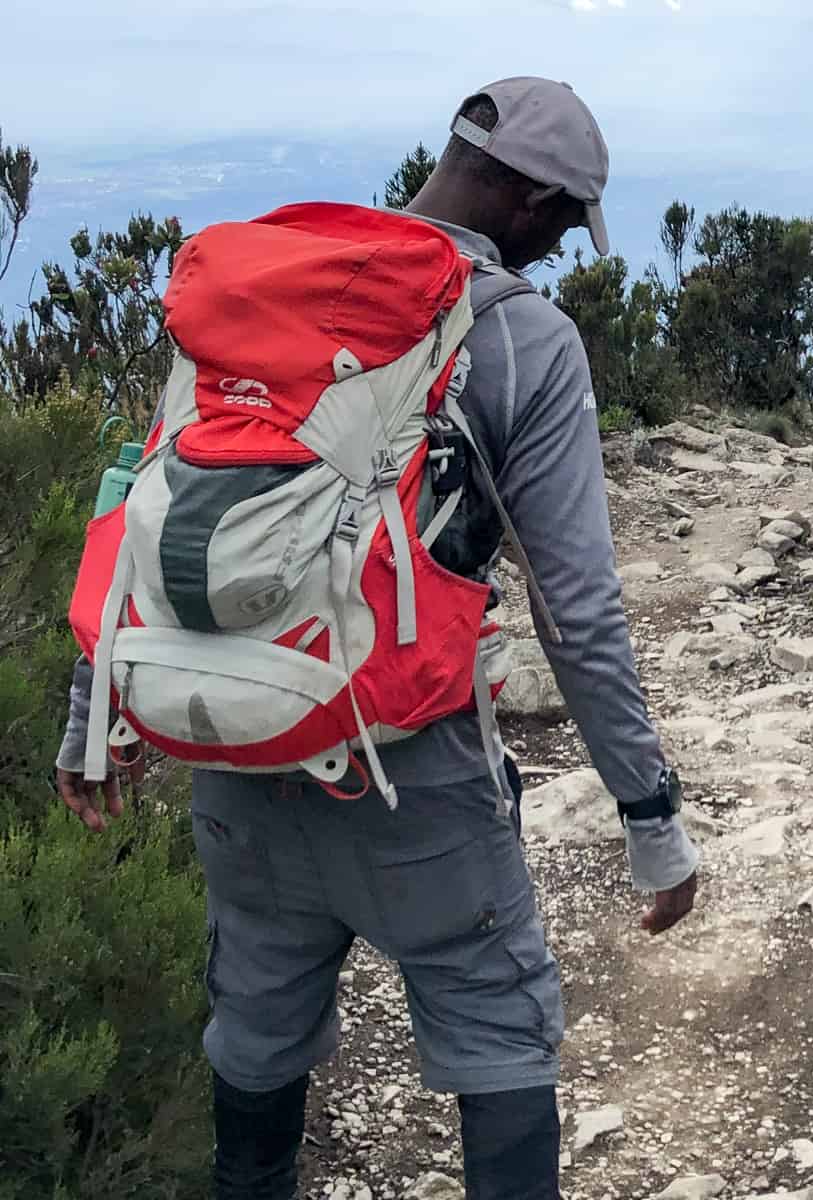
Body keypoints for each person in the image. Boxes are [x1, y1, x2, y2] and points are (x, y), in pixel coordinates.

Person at [51, 76, 700, 1200]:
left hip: (231, 740)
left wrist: (90, 717)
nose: (552, 249)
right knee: (499, 1031)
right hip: (411, 775)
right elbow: (576, 606)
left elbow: (144, 499)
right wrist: (649, 817)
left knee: (252, 1034)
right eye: (556, 218)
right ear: (515, 190)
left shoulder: (276, 289)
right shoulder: (521, 336)